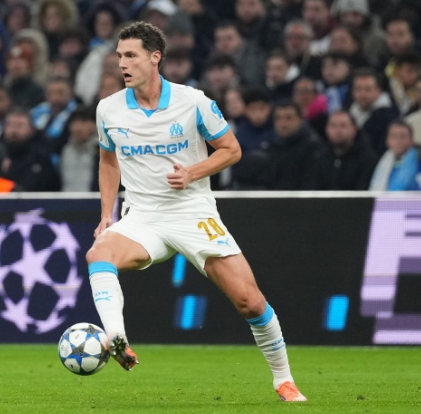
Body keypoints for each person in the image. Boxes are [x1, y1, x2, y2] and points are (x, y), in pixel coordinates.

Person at [89, 22, 307, 402]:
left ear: (155, 57)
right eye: (120, 56)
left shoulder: (193, 102)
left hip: (192, 212)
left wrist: (192, 172)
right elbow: (109, 162)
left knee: (250, 301)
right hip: (142, 216)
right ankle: (117, 337)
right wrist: (108, 213)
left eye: (131, 55)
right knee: (98, 253)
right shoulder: (108, 109)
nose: (122, 63)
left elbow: (231, 150)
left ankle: (284, 379)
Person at [369, 120, 421, 191]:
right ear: (387, 140)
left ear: (411, 140)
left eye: (402, 137)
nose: (398, 141)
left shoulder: (419, 167)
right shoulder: (383, 163)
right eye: (394, 136)